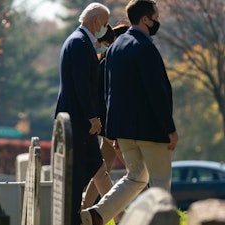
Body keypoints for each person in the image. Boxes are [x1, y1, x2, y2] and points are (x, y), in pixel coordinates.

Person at [80, 1, 179, 225]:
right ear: (146, 19)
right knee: (161, 182)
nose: (158, 21)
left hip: (124, 130)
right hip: (151, 129)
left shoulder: (115, 47)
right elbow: (157, 92)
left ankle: (98, 214)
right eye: (156, 16)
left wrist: (112, 131)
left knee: (135, 178)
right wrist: (169, 129)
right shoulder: (145, 47)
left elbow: (109, 92)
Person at [54, 3, 113, 225]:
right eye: (105, 23)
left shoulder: (76, 40)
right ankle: (76, 218)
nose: (105, 28)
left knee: (93, 165)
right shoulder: (80, 43)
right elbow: (82, 85)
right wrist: (93, 117)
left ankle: (88, 215)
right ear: (96, 21)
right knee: (80, 171)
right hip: (78, 120)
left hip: (76, 118)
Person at [81, 24, 130, 224]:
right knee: (137, 175)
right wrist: (113, 131)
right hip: (112, 129)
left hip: (106, 127)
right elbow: (106, 100)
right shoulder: (111, 62)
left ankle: (83, 209)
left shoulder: (106, 60)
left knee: (101, 169)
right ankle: (147, 212)